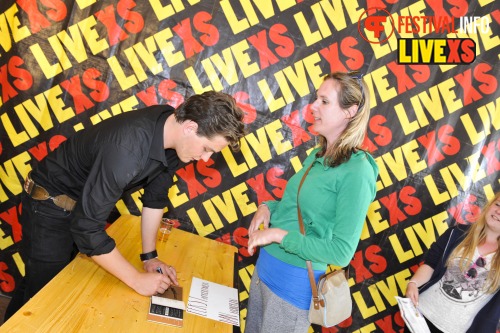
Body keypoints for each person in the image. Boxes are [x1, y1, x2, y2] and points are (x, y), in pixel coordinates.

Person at [4, 91, 245, 320]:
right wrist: (136, 280)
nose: (205, 159)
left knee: (39, 284)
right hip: (48, 205)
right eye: (206, 149)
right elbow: (87, 228)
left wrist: (150, 257)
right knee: (45, 296)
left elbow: (155, 197)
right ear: (190, 127)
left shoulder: (170, 131)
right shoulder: (128, 147)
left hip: (80, 206)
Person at [245, 72, 379, 332]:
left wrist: (278, 235)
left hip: (291, 291)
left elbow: (340, 252)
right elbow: (296, 209)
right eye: (316, 98)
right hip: (263, 273)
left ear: (349, 112)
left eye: (324, 101)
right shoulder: (318, 154)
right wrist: (266, 208)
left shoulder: (358, 171)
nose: (313, 106)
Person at [405, 192, 500, 333]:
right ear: (489, 205)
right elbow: (430, 264)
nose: (498, 211)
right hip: (419, 317)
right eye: (497, 204)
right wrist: (413, 283)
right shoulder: (457, 233)